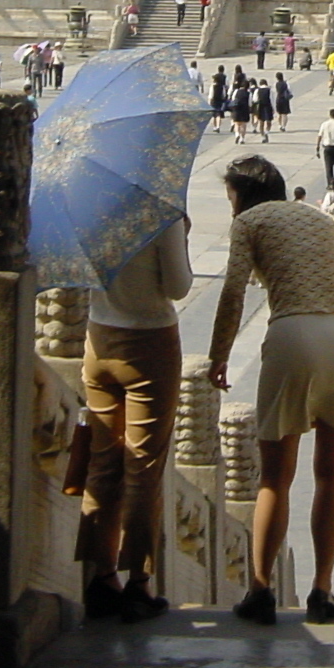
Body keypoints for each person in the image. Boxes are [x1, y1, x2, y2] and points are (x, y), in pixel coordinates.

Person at [210, 155, 334, 626]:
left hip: (291, 336)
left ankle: (260, 589)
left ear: (241, 196)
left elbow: (233, 291)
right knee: (329, 473)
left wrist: (221, 354)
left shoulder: (249, 223)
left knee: (275, 478)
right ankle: (322, 592)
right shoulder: (322, 218)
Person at [79, 218, 193, 624]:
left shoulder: (88, 205)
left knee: (102, 462)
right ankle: (138, 583)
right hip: (149, 342)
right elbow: (178, 287)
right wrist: (183, 235)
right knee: (143, 465)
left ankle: (99, 575)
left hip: (99, 336)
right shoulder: (161, 213)